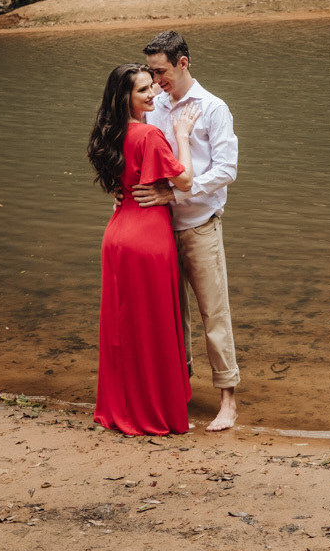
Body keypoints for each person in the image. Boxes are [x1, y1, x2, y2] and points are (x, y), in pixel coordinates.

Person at [133, 31, 240, 432]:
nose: (157, 80)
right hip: (155, 229)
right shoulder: (153, 105)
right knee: (172, 317)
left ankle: (228, 399)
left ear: (183, 63)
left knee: (214, 313)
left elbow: (227, 170)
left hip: (198, 225)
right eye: (152, 73)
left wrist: (177, 195)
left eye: (161, 71)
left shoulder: (214, 108)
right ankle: (181, 391)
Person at [87, 62, 200, 436]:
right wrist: (182, 134)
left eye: (152, 86)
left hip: (117, 234)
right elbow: (184, 178)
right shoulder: (149, 135)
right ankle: (155, 408)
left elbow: (121, 185)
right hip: (149, 238)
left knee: (124, 327)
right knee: (154, 326)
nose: (153, 94)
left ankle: (121, 406)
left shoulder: (110, 134)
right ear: (125, 98)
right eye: (143, 91)